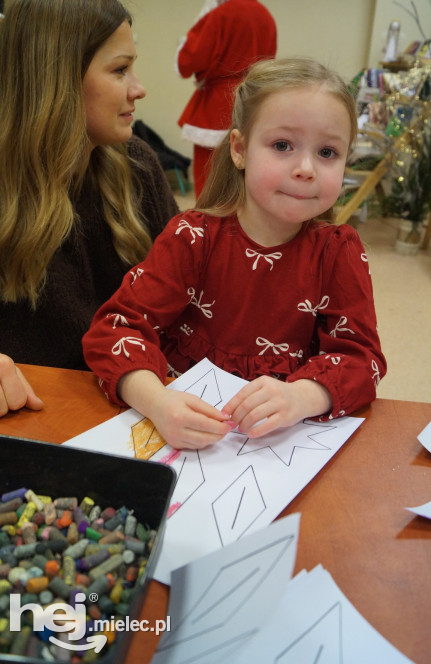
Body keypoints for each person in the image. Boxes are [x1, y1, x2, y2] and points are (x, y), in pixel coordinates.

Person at [83, 56, 387, 450]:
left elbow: (362, 360)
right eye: (282, 145)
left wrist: (301, 396)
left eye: (328, 153)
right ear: (240, 150)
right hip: (181, 437)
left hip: (280, 446)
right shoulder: (191, 237)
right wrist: (157, 402)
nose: (307, 168)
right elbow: (115, 330)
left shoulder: (338, 252)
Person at [0, 0, 178, 417]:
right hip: (38, 417)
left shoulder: (137, 165)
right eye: (120, 71)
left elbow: (189, 298)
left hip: (138, 409)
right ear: (57, 80)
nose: (139, 89)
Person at [176, 0, 277, 196]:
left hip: (216, 106)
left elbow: (188, 62)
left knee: (208, 179)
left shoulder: (219, 16)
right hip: (255, 101)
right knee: (245, 179)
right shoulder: (266, 17)